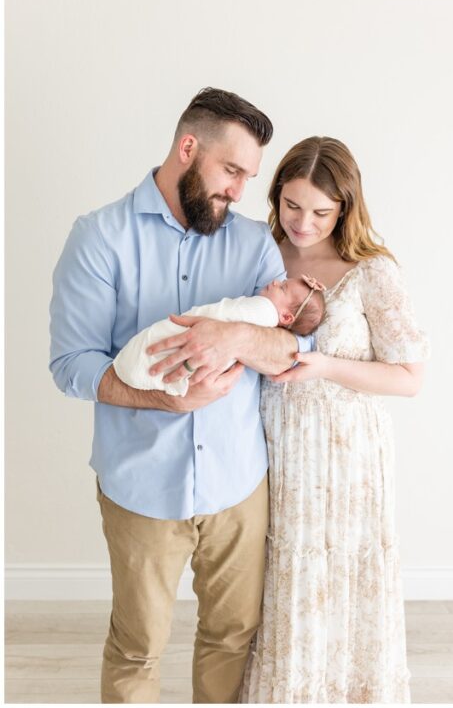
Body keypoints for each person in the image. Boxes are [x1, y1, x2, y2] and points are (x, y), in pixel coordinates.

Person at [49, 87, 311, 703]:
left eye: (249, 176)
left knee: (231, 636)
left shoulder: (251, 244)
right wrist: (162, 401)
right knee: (138, 645)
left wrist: (238, 334)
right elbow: (70, 365)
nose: (239, 191)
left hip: (238, 488)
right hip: (142, 489)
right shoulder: (99, 238)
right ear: (187, 149)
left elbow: (289, 352)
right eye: (231, 171)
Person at [239, 136, 430, 704]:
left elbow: (410, 377)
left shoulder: (372, 271)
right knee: (279, 576)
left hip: (347, 455)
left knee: (341, 578)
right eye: (291, 205)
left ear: (345, 208)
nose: (302, 222)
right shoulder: (257, 254)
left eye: (320, 212)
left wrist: (323, 366)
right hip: (271, 441)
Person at [113, 276, 326, 396]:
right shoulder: (267, 318)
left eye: (283, 287)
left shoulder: (264, 310)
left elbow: (297, 350)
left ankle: (137, 365)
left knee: (160, 348)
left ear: (287, 316)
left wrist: (231, 336)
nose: (275, 282)